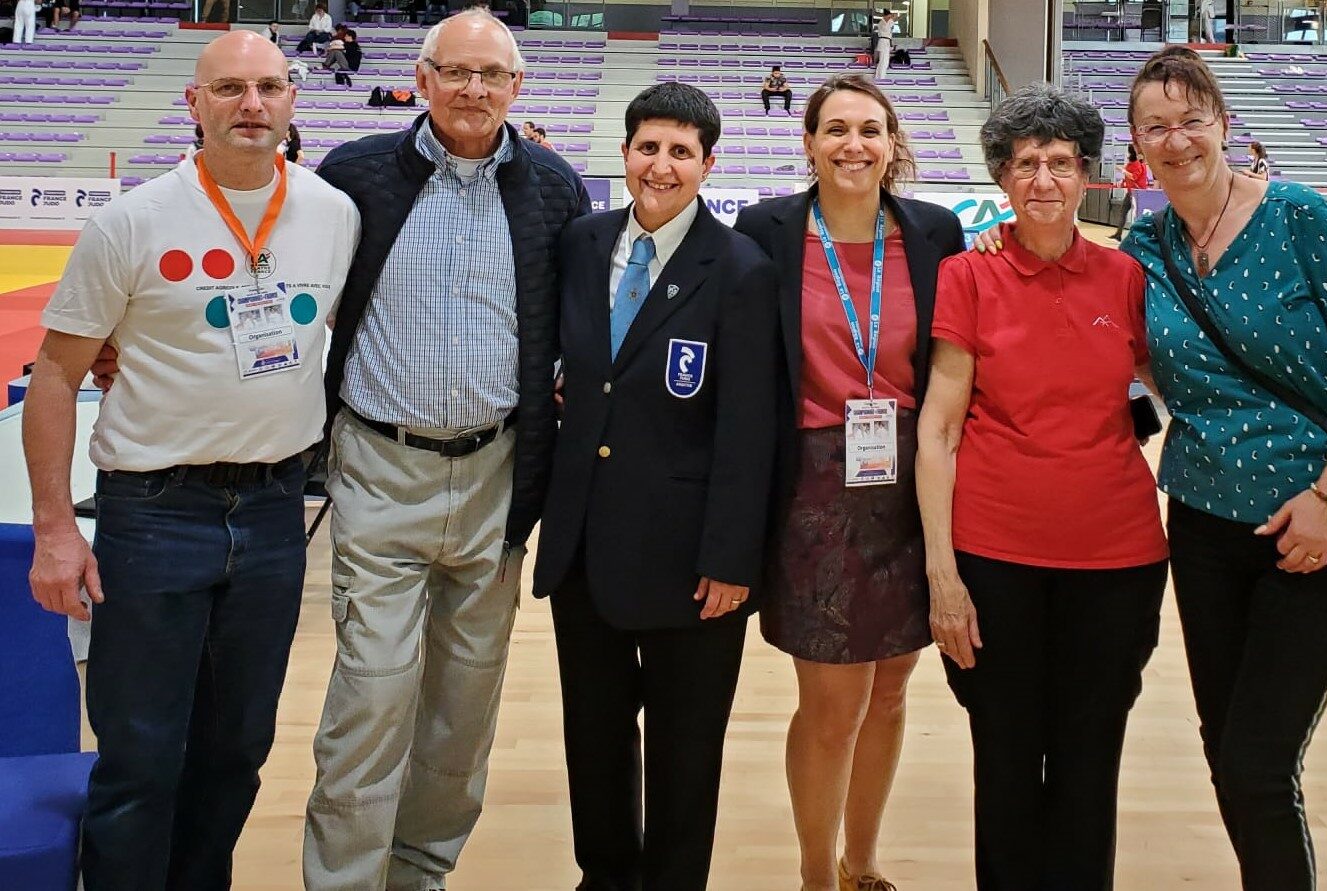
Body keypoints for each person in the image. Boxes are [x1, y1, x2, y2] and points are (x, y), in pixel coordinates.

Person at [24, 30, 359, 889]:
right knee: (138, 755)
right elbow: (58, 374)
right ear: (194, 104)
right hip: (153, 513)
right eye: (230, 89)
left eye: (270, 88)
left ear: (293, 101)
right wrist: (56, 530)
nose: (252, 105)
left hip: (277, 514)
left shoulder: (333, 214)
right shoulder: (131, 220)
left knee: (237, 749)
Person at [301, 11, 589, 890]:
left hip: (499, 473)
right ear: (420, 80)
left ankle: (420, 873)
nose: (473, 91)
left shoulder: (553, 186)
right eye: (455, 73)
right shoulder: (352, 174)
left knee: (463, 710)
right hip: (381, 467)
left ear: (517, 87)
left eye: (491, 75)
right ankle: (345, 880)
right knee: (372, 697)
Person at [1120, 47, 1327, 891]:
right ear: (1138, 143)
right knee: (1229, 757)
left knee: (1256, 759)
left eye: (1191, 120)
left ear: (1224, 125)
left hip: (1322, 524)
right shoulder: (1143, 247)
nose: (1176, 140)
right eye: (1156, 126)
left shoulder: (1295, 216)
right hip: (1206, 527)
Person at [918, 82, 1169, 891]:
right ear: (1002, 177)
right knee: (1005, 751)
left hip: (1119, 559)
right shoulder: (968, 275)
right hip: (995, 555)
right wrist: (942, 574)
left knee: (1091, 756)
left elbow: (1158, 388)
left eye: (1060, 162)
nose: (1044, 180)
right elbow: (939, 428)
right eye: (1026, 163)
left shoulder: (1127, 276)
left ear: (1086, 174)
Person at [532, 81, 779, 891]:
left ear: (708, 164)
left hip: (692, 559)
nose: (661, 166)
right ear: (625, 153)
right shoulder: (580, 241)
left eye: (681, 151)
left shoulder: (740, 268)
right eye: (648, 147)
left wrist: (733, 557)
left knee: (686, 742)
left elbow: (750, 428)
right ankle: (604, 875)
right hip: (585, 542)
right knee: (594, 735)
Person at [734, 74, 964, 891]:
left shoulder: (935, 232)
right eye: (835, 129)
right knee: (833, 703)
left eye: (871, 129)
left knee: (894, 689)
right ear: (808, 143)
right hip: (812, 487)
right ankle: (814, 876)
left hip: (911, 478)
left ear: (893, 141)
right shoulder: (765, 230)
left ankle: (861, 864)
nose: (853, 145)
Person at [1111, 144, 1148, 240]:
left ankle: (1137, 237)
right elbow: (1128, 176)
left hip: (1138, 193)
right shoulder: (1130, 164)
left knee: (1137, 215)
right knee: (1123, 212)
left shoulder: (1138, 164)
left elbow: (1133, 177)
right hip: (1130, 192)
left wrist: (1122, 171)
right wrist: (1122, 181)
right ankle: (1118, 234)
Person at [873, 8, 897, 81]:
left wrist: (890, 16)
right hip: (883, 42)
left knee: (884, 61)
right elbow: (894, 17)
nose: (890, 18)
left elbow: (894, 18)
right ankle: (880, 78)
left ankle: (879, 77)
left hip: (885, 42)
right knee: (883, 62)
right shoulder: (882, 22)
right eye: (888, 17)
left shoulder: (886, 22)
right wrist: (891, 16)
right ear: (885, 16)